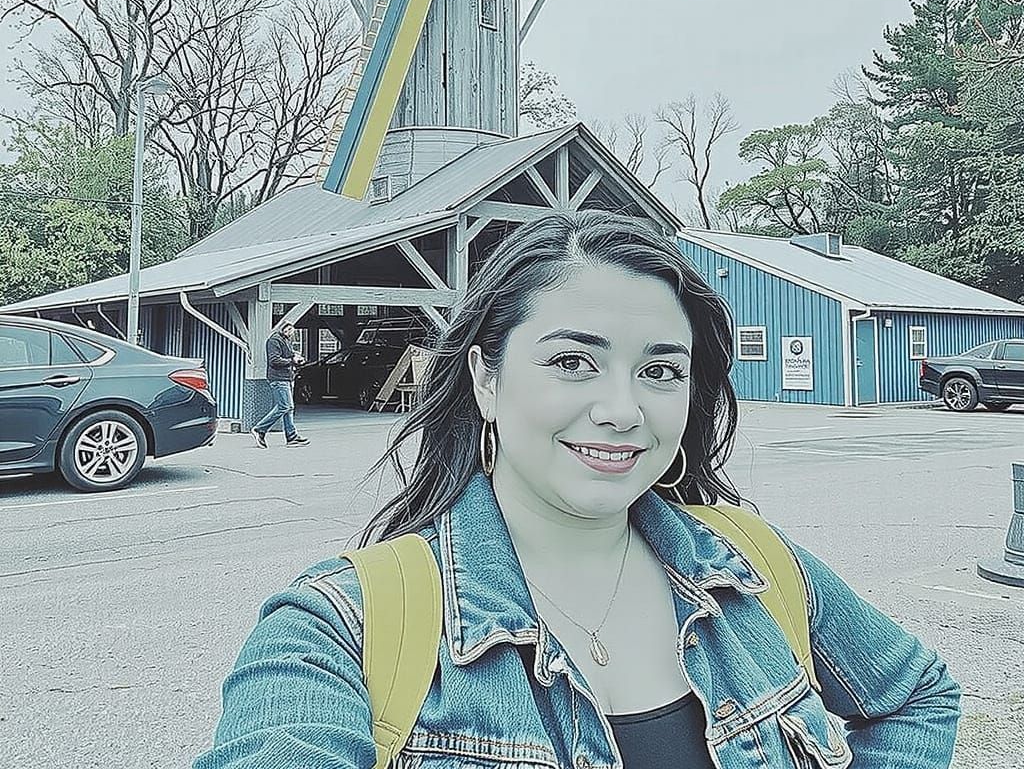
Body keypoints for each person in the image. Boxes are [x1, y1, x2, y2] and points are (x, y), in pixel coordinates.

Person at [198, 210, 960, 768]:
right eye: (572, 362)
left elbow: (919, 696)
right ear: (484, 380)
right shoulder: (338, 628)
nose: (623, 410)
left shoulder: (756, 568)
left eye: (661, 370)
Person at [250, 321, 310, 447]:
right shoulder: (274, 341)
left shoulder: (285, 340)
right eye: (289, 330)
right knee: (284, 406)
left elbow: (290, 355)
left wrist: (297, 358)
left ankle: (292, 437)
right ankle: (259, 429)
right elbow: (274, 360)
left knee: (289, 408)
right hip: (278, 379)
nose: (291, 333)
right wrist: (291, 361)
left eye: (292, 331)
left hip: (287, 378)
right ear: (283, 329)